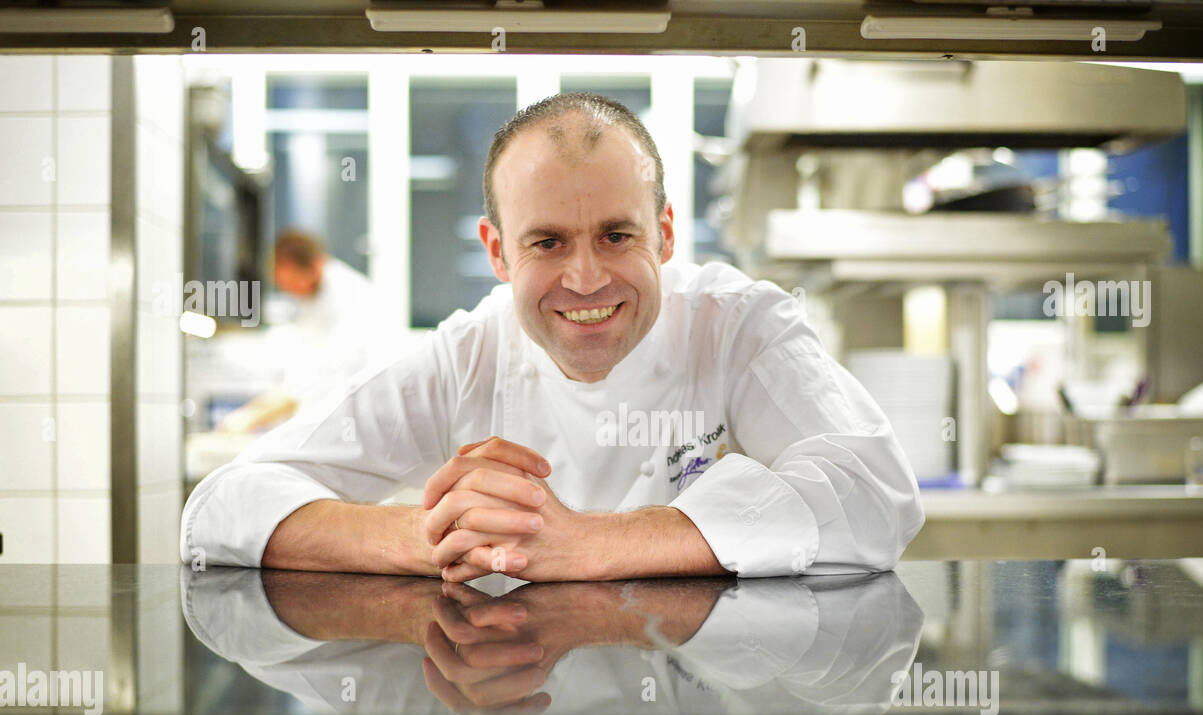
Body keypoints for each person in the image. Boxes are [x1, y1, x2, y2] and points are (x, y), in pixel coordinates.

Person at [181, 92, 924, 582]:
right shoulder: (466, 358)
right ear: (498, 253)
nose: (586, 277)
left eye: (615, 234)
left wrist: (593, 543)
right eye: (546, 243)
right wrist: (424, 537)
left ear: (664, 234)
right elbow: (222, 506)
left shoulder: (738, 327)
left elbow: (878, 497)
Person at [217, 230, 394, 433]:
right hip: (333, 419)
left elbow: (325, 380)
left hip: (359, 421)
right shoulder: (313, 300)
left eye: (293, 282)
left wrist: (254, 416)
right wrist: (253, 410)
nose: (292, 292)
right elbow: (302, 368)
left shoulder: (353, 300)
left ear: (316, 265)